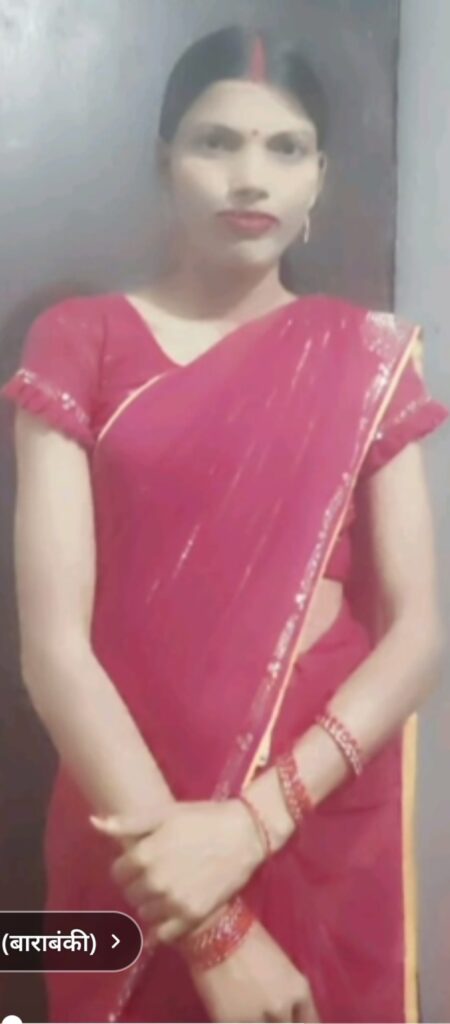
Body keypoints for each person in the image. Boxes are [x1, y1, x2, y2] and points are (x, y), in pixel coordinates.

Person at [1, 23, 448, 1024]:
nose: (252, 177)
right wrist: (211, 923)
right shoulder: (80, 342)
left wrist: (258, 819)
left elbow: (418, 632)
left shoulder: (367, 359)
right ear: (165, 160)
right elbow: (53, 652)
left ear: (319, 177)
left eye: (285, 148)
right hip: (134, 822)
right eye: (216, 142)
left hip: (318, 816)